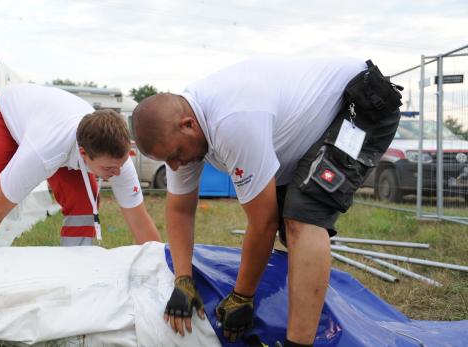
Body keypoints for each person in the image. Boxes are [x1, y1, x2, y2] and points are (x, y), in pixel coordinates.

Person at [131, 57, 402, 346]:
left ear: (188, 125)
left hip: (360, 104)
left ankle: (299, 343)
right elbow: (180, 210)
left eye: (175, 155)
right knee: (291, 230)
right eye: (166, 161)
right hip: (311, 127)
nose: (174, 166)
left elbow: (262, 223)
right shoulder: (185, 129)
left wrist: (242, 296)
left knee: (303, 218)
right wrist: (183, 279)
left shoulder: (232, 122)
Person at [0, 83, 161, 314]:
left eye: (120, 166)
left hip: (51, 123)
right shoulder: (43, 153)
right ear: (84, 155)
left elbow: (139, 220)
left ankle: (80, 282)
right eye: (108, 170)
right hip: (2, 117)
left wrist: (164, 274)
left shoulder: (117, 160)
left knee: (84, 206)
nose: (116, 175)